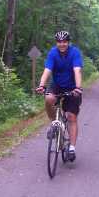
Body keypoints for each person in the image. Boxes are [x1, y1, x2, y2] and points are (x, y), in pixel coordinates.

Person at [36, 31, 83, 161]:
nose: (62, 44)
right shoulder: (53, 53)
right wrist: (41, 85)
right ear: (57, 42)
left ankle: (72, 148)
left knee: (71, 116)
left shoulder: (75, 53)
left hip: (73, 87)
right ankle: (54, 124)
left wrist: (78, 87)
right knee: (49, 98)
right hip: (56, 85)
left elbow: (77, 70)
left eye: (64, 41)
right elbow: (47, 70)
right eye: (59, 42)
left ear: (68, 42)